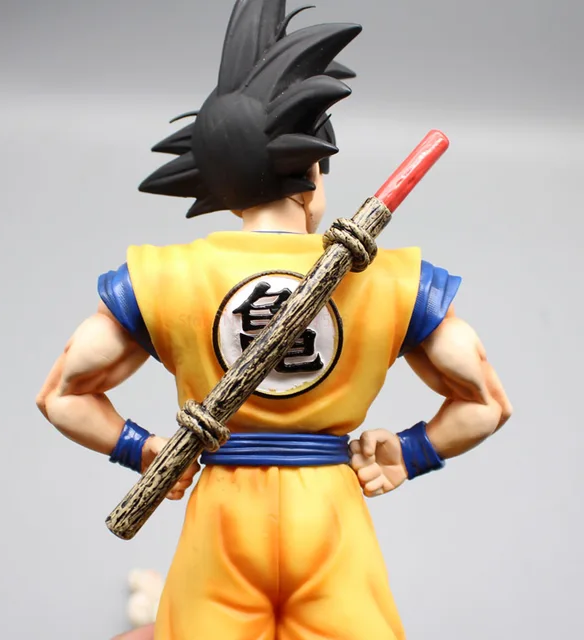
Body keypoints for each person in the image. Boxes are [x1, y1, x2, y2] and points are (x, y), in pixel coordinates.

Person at [36, 1, 512, 639]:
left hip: (224, 519)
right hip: (329, 520)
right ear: (312, 173)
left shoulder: (168, 278)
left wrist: (141, 449)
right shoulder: (390, 281)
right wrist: (409, 453)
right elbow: (486, 402)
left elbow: (62, 394)